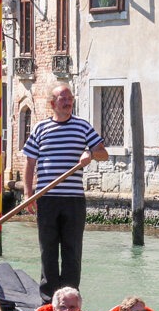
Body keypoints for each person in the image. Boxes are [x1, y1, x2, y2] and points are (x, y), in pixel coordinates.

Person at [22, 84, 109, 298]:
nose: (68, 101)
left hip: (73, 199)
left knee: (72, 249)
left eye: (70, 98)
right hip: (46, 198)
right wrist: (27, 195)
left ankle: (70, 296)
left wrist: (89, 153)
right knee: (48, 249)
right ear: (53, 104)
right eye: (63, 98)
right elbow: (30, 163)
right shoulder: (40, 129)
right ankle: (48, 298)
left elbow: (103, 153)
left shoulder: (82, 127)